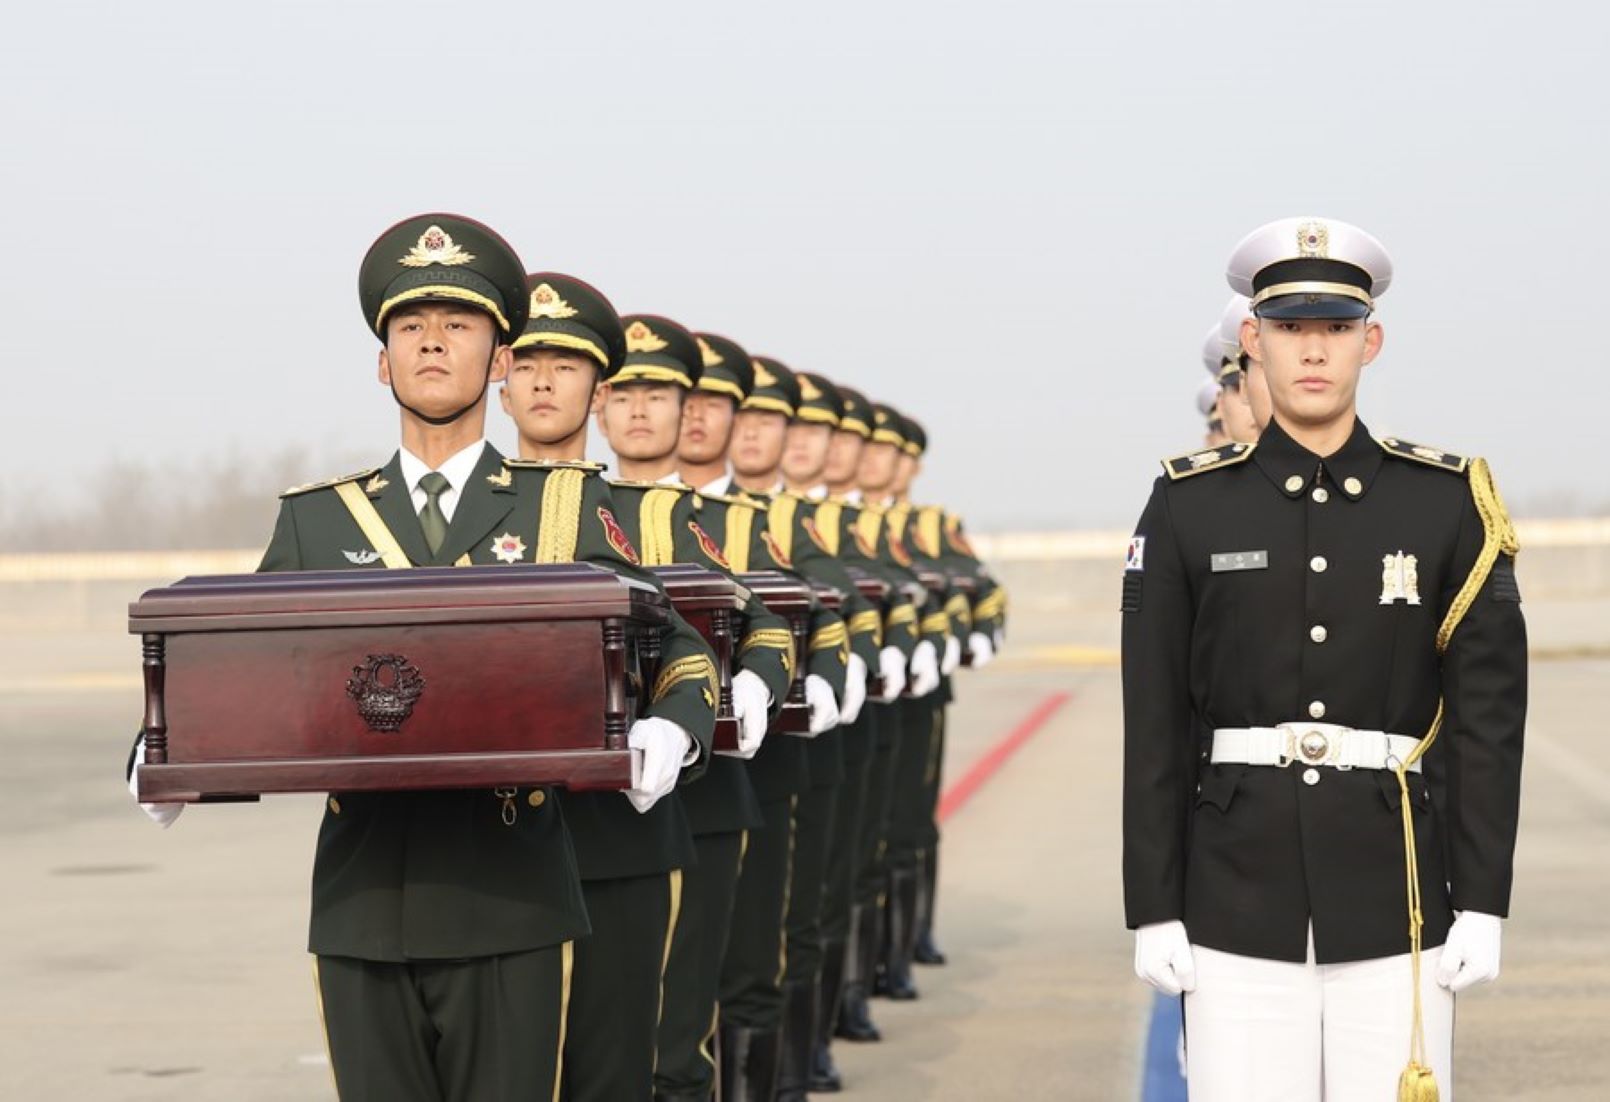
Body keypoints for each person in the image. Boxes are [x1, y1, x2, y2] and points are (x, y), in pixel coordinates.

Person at [129, 216, 715, 1102]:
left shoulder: (557, 505)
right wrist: (162, 757)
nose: (433, 341)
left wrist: (672, 734)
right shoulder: (318, 522)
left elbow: (675, 646)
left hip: (510, 895)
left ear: (501, 362)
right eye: (410, 328)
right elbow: (232, 667)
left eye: (460, 325)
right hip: (363, 898)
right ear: (381, 362)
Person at [1124, 216, 1526, 1102]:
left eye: (1337, 329)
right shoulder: (1189, 507)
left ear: (1370, 342)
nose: (1314, 351)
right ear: (1253, 341)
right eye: (1291, 329)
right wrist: (1152, 903)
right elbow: (1154, 720)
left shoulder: (1447, 504)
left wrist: (1485, 898)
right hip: (1235, 893)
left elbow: (1489, 720)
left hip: (1398, 894)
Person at [495, 275, 720, 1102]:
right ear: (500, 374)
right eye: (529, 363)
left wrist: (677, 723)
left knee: (620, 1070)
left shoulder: (642, 512)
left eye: (568, 365)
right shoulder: (448, 514)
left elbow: (704, 636)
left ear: (595, 389)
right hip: (487, 842)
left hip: (616, 834)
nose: (546, 381)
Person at [587, 314, 796, 1102]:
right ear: (603, 407)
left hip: (703, 797)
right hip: (580, 801)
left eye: (662, 393)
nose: (641, 410)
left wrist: (751, 684)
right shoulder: (569, 508)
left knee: (681, 1030)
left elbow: (775, 625)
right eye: (627, 391)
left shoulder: (726, 524)